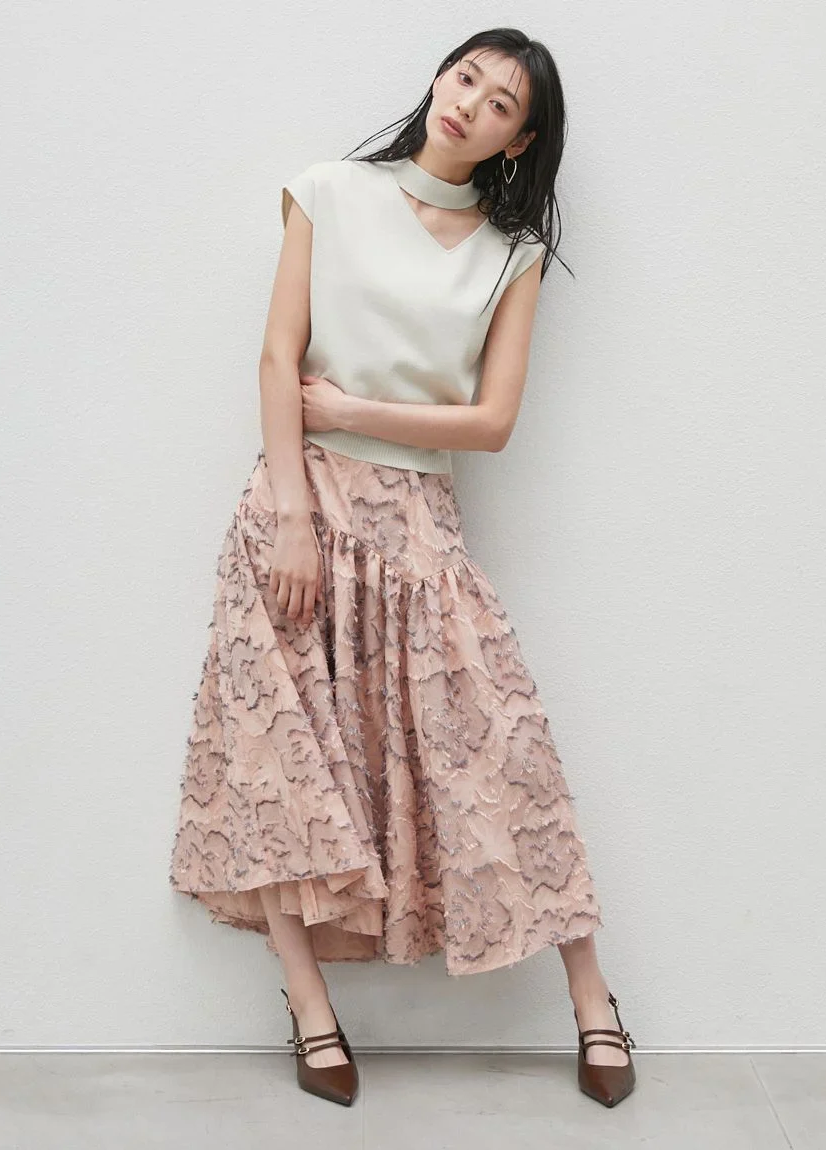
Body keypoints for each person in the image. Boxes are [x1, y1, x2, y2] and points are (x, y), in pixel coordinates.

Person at [169, 27, 637, 1110]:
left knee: (502, 747)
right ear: (439, 77)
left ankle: (594, 999)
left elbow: (492, 423)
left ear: (519, 142)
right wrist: (292, 512)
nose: (469, 101)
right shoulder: (329, 192)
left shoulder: (511, 255)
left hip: (419, 523)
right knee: (282, 760)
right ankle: (309, 1005)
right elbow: (276, 358)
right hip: (294, 504)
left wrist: (356, 409)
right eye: (465, 75)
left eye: (502, 103)